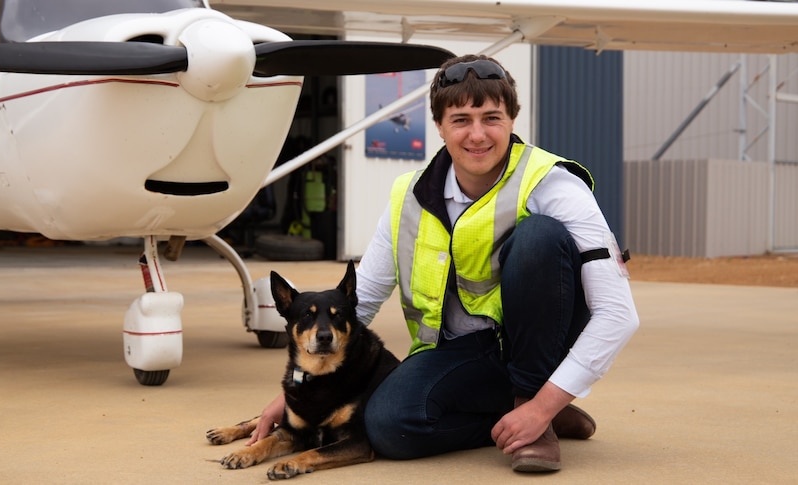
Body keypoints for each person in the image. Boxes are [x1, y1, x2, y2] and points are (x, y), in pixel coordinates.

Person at [246, 53, 640, 473]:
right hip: (461, 355)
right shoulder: (408, 196)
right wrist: (299, 387)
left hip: (540, 346)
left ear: (512, 119)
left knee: (538, 237)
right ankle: (517, 414)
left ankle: (534, 408)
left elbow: (618, 315)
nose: (477, 135)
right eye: (461, 120)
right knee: (387, 428)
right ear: (439, 125)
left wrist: (542, 403)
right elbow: (358, 302)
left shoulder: (551, 182)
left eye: (492, 117)